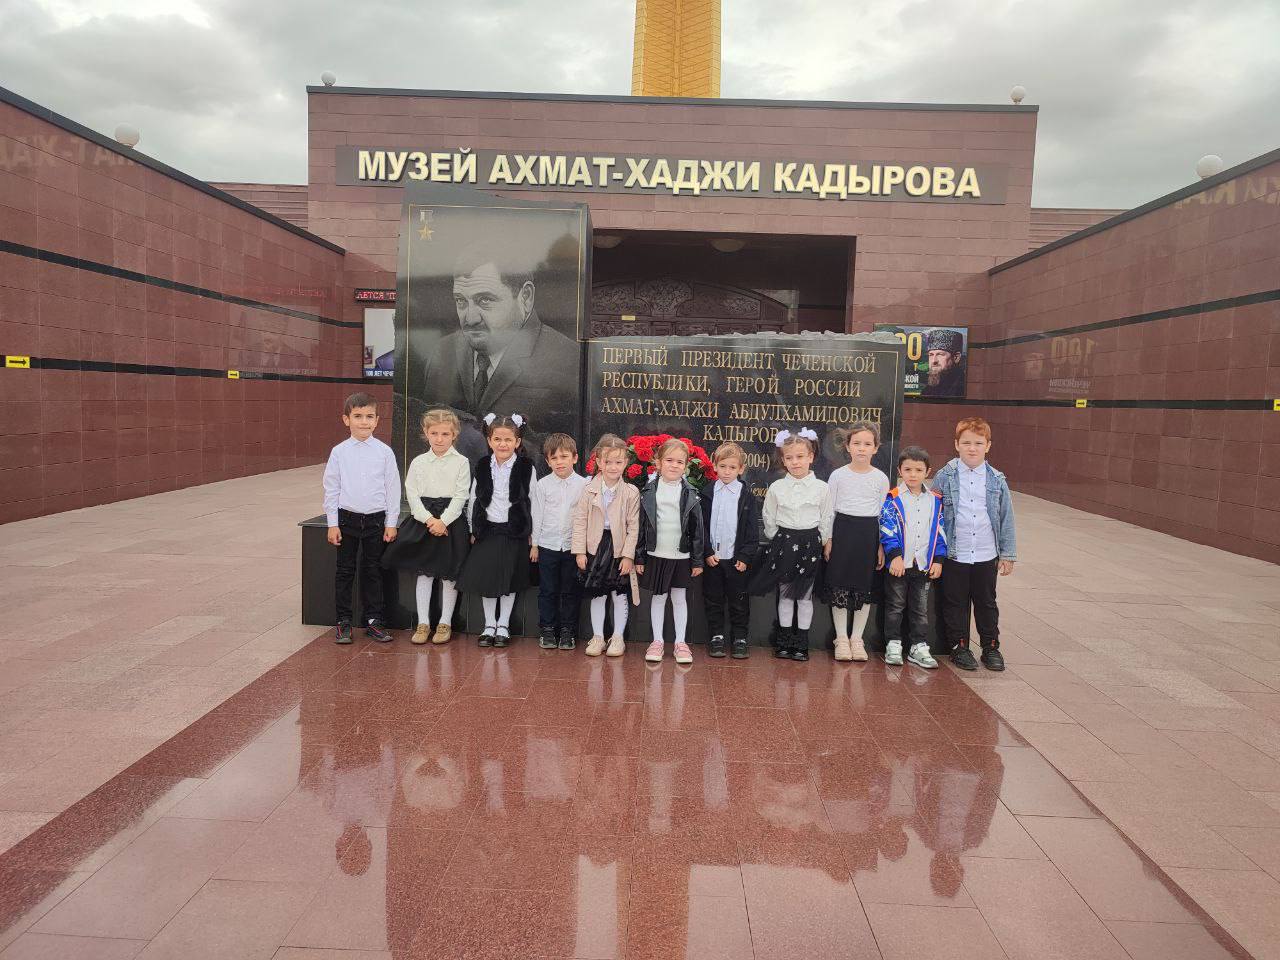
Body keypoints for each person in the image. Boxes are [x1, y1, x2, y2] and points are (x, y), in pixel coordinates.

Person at [421, 241, 579, 458]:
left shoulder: (566, 358)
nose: (470, 318)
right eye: (461, 301)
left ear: (525, 297)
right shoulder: (443, 353)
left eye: (485, 300)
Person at [930, 417, 1017, 672]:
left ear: (988, 446)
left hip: (985, 553)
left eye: (978, 443)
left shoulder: (997, 479)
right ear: (956, 444)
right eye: (966, 443)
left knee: (986, 602)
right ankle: (959, 646)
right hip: (955, 553)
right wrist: (934, 553)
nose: (972, 448)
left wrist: (1007, 553)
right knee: (955, 602)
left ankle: (990, 646)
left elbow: (1006, 517)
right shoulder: (944, 476)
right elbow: (934, 515)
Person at [381, 408, 471, 645]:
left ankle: (445, 622)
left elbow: (461, 495)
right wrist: (430, 520)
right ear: (426, 433)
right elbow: (411, 494)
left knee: (449, 575)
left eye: (445, 434)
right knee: (424, 573)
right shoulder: (418, 462)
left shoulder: (461, 462)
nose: (439, 439)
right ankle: (423, 623)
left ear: (454, 434)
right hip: (424, 522)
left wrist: (443, 521)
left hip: (450, 523)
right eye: (434, 433)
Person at [322, 392, 399, 645]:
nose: (364, 422)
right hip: (347, 521)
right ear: (346, 419)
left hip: (376, 521)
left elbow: (392, 488)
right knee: (344, 571)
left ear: (377, 420)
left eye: (369, 416)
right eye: (357, 416)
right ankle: (343, 621)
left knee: (373, 571)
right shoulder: (339, 452)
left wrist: (391, 522)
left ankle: (374, 621)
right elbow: (331, 488)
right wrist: (332, 523)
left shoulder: (385, 452)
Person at [456, 413, 536, 646]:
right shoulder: (483, 465)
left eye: (508, 439)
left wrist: (533, 536)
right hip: (488, 530)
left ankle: (503, 625)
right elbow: (474, 498)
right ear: (489, 441)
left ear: (517, 442)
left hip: (514, 531)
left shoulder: (526, 467)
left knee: (510, 579)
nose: (503, 444)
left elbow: (533, 500)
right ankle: (489, 624)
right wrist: (473, 528)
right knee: (488, 579)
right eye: (498, 439)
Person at [750, 428, 827, 662]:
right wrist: (776, 536)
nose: (795, 462)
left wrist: (824, 540)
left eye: (800, 456)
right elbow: (769, 514)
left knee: (804, 596)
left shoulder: (821, 488)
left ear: (811, 456)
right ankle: (784, 640)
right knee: (785, 594)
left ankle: (801, 642)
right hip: (784, 542)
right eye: (790, 457)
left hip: (810, 544)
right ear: (783, 460)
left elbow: (826, 517)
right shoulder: (777, 487)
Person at [821, 422, 890, 663]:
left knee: (864, 587)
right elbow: (829, 510)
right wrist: (828, 538)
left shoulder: (880, 478)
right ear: (848, 446)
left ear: (875, 448)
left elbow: (883, 515)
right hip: (843, 531)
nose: (862, 448)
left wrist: (881, 545)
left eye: (867, 444)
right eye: (857, 443)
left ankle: (857, 638)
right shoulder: (838, 476)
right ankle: (841, 638)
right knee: (839, 584)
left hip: (868, 534)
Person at [636, 439, 705, 665]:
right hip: (657, 554)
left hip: (681, 556)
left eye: (679, 462)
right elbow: (641, 526)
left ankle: (680, 643)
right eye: (669, 460)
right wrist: (639, 556)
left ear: (686, 466)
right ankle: (657, 641)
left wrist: (697, 560)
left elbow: (697, 530)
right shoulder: (649, 491)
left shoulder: (691, 493)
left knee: (679, 598)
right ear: (658, 463)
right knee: (658, 597)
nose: (674, 465)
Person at [572, 434, 640, 657]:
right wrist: (580, 551)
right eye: (608, 462)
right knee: (598, 594)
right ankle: (598, 636)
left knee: (619, 594)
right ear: (599, 462)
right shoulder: (589, 489)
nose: (613, 467)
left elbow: (633, 527)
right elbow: (580, 520)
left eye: (618, 462)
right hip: (596, 546)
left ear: (626, 463)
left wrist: (628, 555)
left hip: (618, 547)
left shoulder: (631, 492)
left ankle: (618, 637)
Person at [879, 445, 947, 669]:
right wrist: (894, 556)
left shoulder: (935, 501)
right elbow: (887, 528)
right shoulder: (893, 498)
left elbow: (940, 531)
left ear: (928, 472)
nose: (913, 475)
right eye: (908, 470)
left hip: (923, 565)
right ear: (900, 471)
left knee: (920, 608)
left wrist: (938, 559)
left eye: (919, 470)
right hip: (900, 564)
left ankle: (918, 646)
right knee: (895, 606)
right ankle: (893, 644)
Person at [700, 442, 760, 659]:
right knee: (713, 599)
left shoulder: (746, 496)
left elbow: (752, 530)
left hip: (736, 561)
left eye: (732, 467)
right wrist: (706, 552)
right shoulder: (707, 493)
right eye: (723, 466)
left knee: (739, 601)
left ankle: (740, 638)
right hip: (713, 560)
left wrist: (745, 555)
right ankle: (716, 636)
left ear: (741, 469)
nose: (727, 471)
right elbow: (701, 527)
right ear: (715, 466)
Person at [530, 433, 589, 650]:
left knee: (570, 590)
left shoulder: (584, 485)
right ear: (547, 461)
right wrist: (535, 544)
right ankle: (547, 629)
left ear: (575, 458)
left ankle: (567, 631)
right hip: (548, 545)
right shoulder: (543, 485)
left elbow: (586, 517)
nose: (559, 462)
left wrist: (583, 547)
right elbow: (537, 514)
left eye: (564, 457)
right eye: (554, 458)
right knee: (548, 590)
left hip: (572, 547)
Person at [922, 328, 966, 398]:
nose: (934, 361)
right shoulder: (927, 390)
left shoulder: (961, 388)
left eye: (940, 354)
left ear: (956, 357)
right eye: (931, 355)